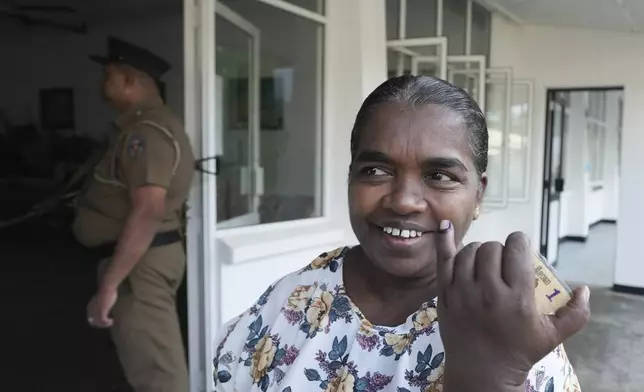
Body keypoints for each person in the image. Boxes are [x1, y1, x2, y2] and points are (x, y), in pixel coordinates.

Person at [212, 75, 590, 392]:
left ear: (479, 194)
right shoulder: (293, 303)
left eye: (439, 176)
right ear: (350, 178)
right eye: (376, 170)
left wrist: (489, 377)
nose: (405, 201)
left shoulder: (510, 324)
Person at [72, 36, 195, 392]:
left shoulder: (145, 134)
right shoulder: (141, 127)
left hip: (139, 266)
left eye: (108, 75)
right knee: (145, 364)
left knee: (159, 374)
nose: (102, 84)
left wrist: (110, 285)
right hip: (138, 260)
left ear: (131, 81)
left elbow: (148, 211)